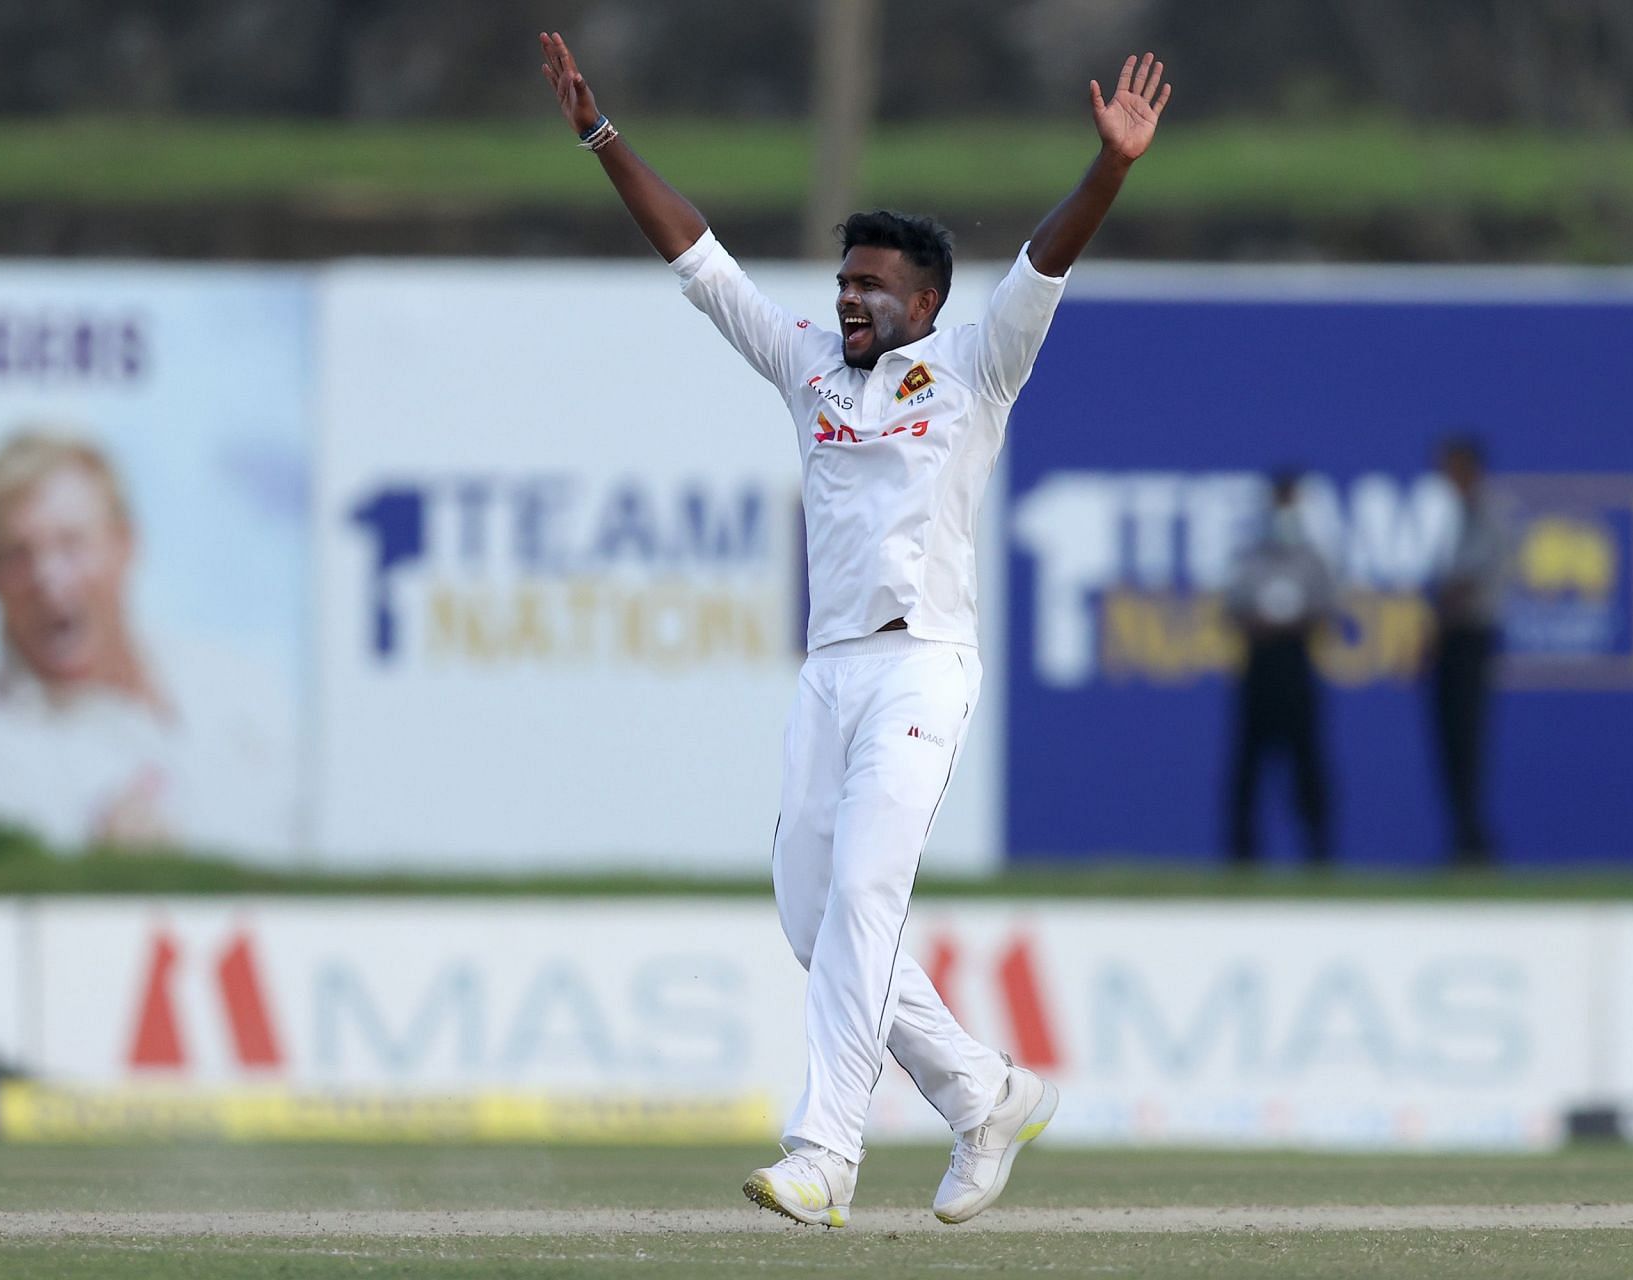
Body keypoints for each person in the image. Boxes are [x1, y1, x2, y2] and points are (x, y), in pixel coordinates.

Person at [537, 30, 1170, 1228]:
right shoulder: (808, 368)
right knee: (810, 911)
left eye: (873, 286)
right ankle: (985, 1091)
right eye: (843, 284)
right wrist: (600, 136)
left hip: (924, 663)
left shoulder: (980, 365)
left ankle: (826, 1152)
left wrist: (1110, 172)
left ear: (926, 301)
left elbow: (1046, 260)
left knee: (869, 895)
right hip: (830, 671)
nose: (850, 300)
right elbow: (698, 257)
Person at [0, 431, 297, 857]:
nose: (47, 577)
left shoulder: (242, 690)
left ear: (125, 544)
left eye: (70, 545)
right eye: (18, 554)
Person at [1224, 471, 1337, 866]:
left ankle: (1319, 851)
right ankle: (1241, 854)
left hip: (1296, 665)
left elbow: (1324, 611)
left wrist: (1294, 625)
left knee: (1307, 761)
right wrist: (1258, 625)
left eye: (1291, 503)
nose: (1283, 512)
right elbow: (1232, 609)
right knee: (1248, 765)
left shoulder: (1313, 560)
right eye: (1279, 502)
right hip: (1259, 666)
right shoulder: (1250, 558)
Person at [1428, 436, 1511, 867]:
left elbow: (1468, 580)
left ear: (1469, 466)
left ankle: (1474, 844)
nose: (1443, 475)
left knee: (1467, 741)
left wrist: (1437, 613)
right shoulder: (1458, 515)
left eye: (1450, 465)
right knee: (1451, 745)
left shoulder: (1489, 511)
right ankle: (1465, 839)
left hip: (1471, 636)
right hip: (1453, 638)